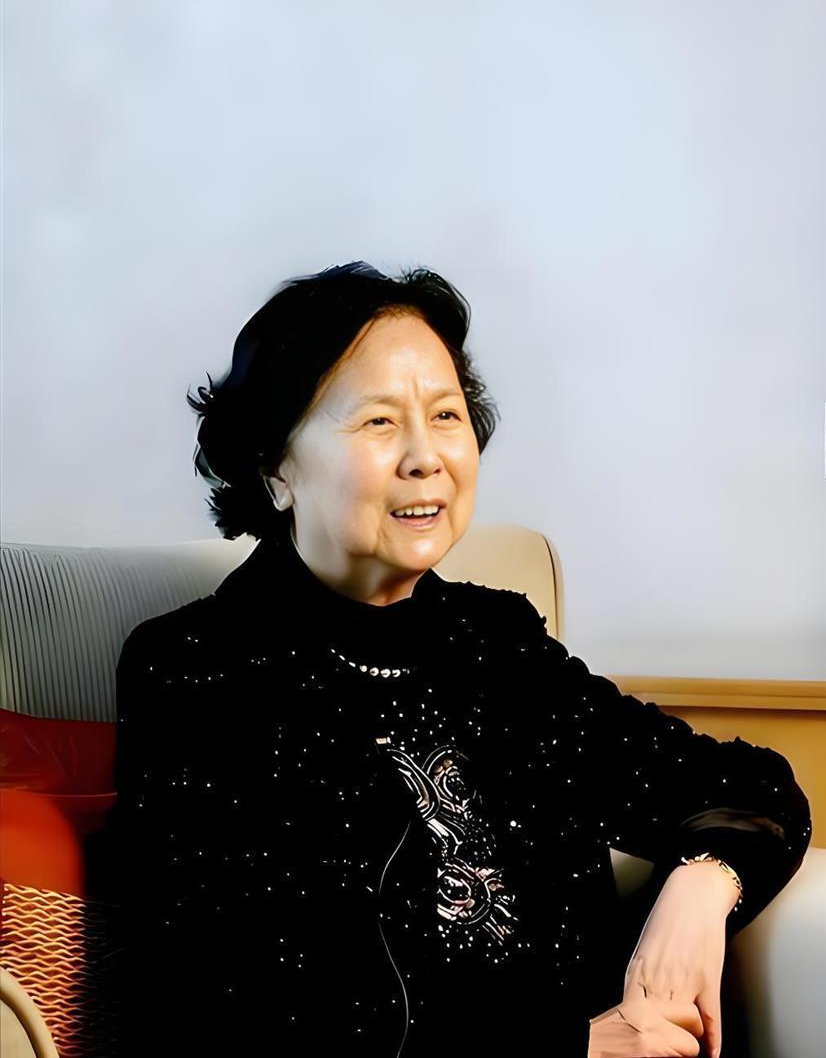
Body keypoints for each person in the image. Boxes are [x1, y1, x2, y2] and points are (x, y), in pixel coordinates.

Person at [104, 261, 811, 1057]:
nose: (426, 456)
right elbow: (234, 1000)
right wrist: (572, 1048)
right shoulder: (195, 670)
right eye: (378, 422)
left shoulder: (498, 644)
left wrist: (702, 881)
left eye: (446, 414)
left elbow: (747, 787)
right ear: (275, 469)